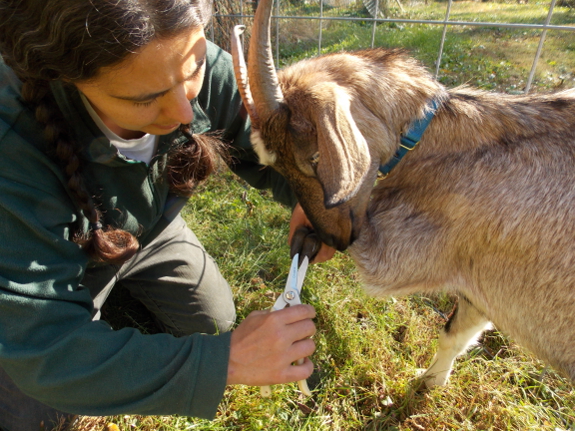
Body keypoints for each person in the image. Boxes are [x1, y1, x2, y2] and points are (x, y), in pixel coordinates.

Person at [0, 1, 333, 429]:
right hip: (44, 262)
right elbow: (45, 351)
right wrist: (224, 362)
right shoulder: (11, 145)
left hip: (145, 231)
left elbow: (270, 151)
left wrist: (311, 198)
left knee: (213, 319)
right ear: (67, 77)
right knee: (36, 416)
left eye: (194, 69)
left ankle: (110, 315)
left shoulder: (178, 57)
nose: (183, 112)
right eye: (145, 99)